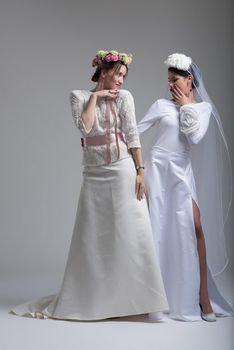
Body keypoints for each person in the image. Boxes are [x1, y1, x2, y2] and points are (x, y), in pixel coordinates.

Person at [9, 50, 168, 321]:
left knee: (132, 235)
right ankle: (98, 301)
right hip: (94, 174)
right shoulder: (79, 97)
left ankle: (143, 304)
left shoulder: (125, 98)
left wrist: (141, 171)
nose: (121, 81)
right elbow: (85, 128)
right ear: (103, 71)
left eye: (124, 76)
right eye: (118, 74)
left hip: (123, 170)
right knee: (93, 240)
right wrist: (95, 97)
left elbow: (132, 134)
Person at [137, 53, 234, 322]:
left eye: (174, 80)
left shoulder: (203, 109)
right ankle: (154, 297)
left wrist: (187, 106)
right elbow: (135, 131)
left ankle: (203, 296)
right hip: (157, 169)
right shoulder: (160, 105)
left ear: (189, 80)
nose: (170, 85)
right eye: (167, 81)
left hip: (181, 172)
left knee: (195, 226)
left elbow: (196, 136)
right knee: (157, 228)